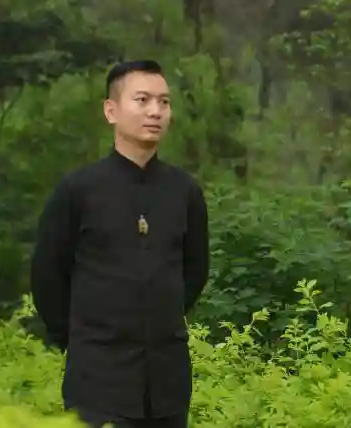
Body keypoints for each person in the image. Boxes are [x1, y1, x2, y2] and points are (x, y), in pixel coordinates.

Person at [30, 60, 210, 428]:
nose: (155, 111)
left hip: (168, 381)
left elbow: (194, 272)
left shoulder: (184, 192)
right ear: (111, 111)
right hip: (98, 381)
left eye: (164, 102)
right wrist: (80, 338)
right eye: (142, 100)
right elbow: (48, 275)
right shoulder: (78, 190)